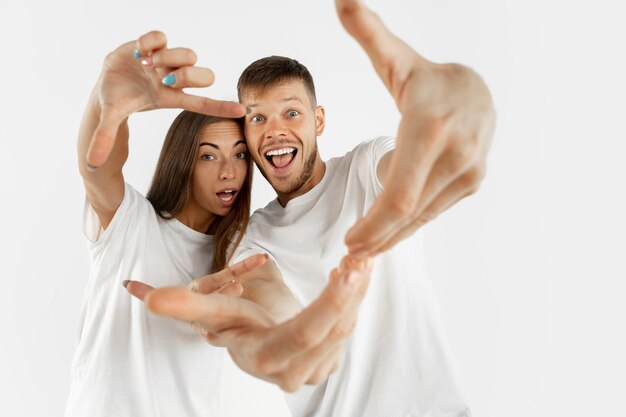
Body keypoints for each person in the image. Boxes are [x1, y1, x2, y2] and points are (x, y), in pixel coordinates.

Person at [126, 0, 496, 416]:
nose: (275, 130)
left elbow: (411, 164)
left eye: (291, 112)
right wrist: (278, 336)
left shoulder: (366, 167)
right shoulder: (250, 238)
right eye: (258, 118)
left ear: (318, 121)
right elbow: (268, 299)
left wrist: (446, 132)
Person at [69, 32, 373, 417]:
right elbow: (97, 167)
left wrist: (286, 338)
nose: (229, 172)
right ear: (182, 161)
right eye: (209, 157)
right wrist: (105, 101)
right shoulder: (130, 223)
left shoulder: (241, 251)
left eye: (240, 155)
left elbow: (267, 299)